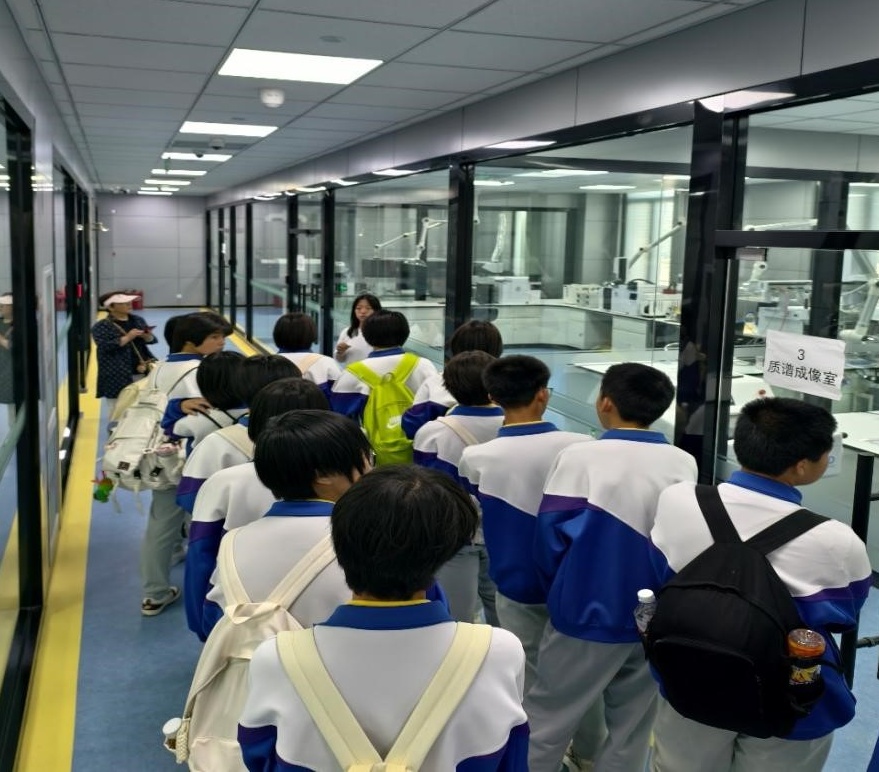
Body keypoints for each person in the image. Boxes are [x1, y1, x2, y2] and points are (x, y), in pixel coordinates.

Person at [238, 466, 529, 771]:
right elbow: (511, 761)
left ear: (340, 541)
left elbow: (259, 759)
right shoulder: (498, 651)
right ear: (446, 551)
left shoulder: (276, 658)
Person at [649, 397, 871, 772]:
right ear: (802, 466)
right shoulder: (835, 540)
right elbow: (843, 617)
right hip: (789, 698)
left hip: (689, 673)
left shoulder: (679, 500)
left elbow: (658, 572)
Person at [525, 362, 698, 772]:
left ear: (605, 402)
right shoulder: (683, 462)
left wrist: (559, 594)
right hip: (654, 618)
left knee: (547, 720)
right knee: (633, 729)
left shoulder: (579, 457)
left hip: (583, 612)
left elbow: (549, 540)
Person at [458, 354, 602, 769]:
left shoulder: (477, 457)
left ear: (492, 396)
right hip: (574, 583)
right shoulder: (582, 446)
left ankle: (536, 758)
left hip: (515, 583)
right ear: (543, 394)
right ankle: (589, 753)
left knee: (529, 678)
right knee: (582, 676)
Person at [184, 378, 330, 640]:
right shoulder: (335, 481)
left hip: (242, 612)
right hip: (320, 617)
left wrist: (201, 624)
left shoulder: (224, 482)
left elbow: (201, 553)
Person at [138, 312, 230, 617]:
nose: (222, 342)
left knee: (160, 522)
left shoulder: (160, 367)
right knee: (203, 520)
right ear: (191, 341)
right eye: (215, 337)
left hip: (159, 456)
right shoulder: (200, 371)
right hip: (191, 459)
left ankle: (154, 592)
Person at [413, 350, 504, 625]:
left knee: (456, 619)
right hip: (503, 535)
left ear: (450, 387)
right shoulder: (510, 425)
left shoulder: (433, 432)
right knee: (505, 618)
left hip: (454, 537)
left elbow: (428, 488)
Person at [176, 354, 301, 513]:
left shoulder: (217, 442)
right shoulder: (321, 433)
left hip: (235, 526)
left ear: (239, 390)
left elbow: (189, 498)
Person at [330, 310, 437, 423]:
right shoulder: (423, 365)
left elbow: (339, 415)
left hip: (369, 434)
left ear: (366, 336)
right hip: (420, 432)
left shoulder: (352, 373)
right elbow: (436, 404)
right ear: (405, 334)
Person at [403, 319, 504, 439]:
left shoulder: (437, 382)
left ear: (456, 347)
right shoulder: (510, 382)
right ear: (497, 349)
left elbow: (412, 426)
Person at [92, 292, 157, 415]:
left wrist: (147, 336)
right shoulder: (101, 326)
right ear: (111, 307)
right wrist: (128, 337)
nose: (129, 304)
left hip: (141, 367)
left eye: (129, 301)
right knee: (118, 406)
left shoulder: (138, 320)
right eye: (123, 303)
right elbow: (105, 346)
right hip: (116, 372)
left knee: (142, 402)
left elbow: (152, 340)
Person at [172, 351, 247, 447]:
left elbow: (174, 431)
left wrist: (177, 406)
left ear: (203, 384)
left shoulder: (196, 420)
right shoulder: (258, 408)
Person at [273, 311, 341, 399]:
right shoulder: (326, 363)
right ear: (311, 334)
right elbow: (339, 398)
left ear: (277, 334)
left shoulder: (264, 365)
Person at [334, 292, 381, 365]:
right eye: (358, 308)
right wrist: (340, 352)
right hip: (352, 371)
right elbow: (340, 360)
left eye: (368, 308)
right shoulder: (347, 332)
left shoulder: (381, 332)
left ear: (376, 310)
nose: (363, 312)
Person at [0, 294, 14, 423]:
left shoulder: (19, 325)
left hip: (12, 372)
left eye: (3, 306)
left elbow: (11, 346)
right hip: (2, 371)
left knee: (14, 408)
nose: (1, 308)